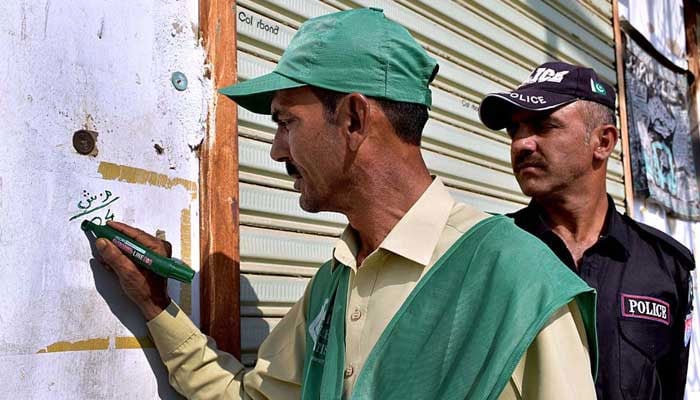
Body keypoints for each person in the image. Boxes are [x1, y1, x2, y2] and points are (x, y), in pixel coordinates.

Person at [95, 9, 598, 399]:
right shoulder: (335, 285)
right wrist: (155, 304)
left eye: (286, 122)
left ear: (355, 119)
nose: (275, 150)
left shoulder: (519, 279)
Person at [479, 61, 696, 400]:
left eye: (542, 125)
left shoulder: (665, 267)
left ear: (603, 142)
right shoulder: (490, 253)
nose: (521, 144)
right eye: (514, 130)